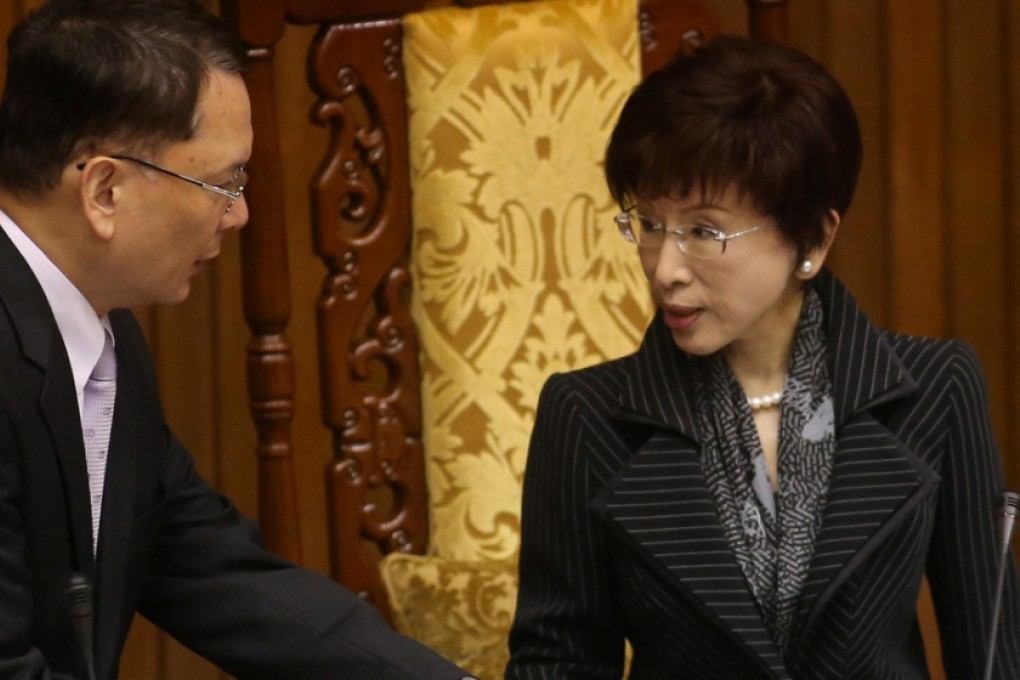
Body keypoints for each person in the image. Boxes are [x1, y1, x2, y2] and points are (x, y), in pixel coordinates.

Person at [505, 35, 1020, 679]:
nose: (665, 268)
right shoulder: (584, 416)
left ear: (813, 236)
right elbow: (558, 664)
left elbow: (993, 649)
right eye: (650, 224)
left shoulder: (937, 388)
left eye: (702, 231)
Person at [0, 2, 477, 679]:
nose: (240, 215)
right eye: (221, 184)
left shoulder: (107, 346)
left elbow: (222, 577)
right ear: (104, 189)